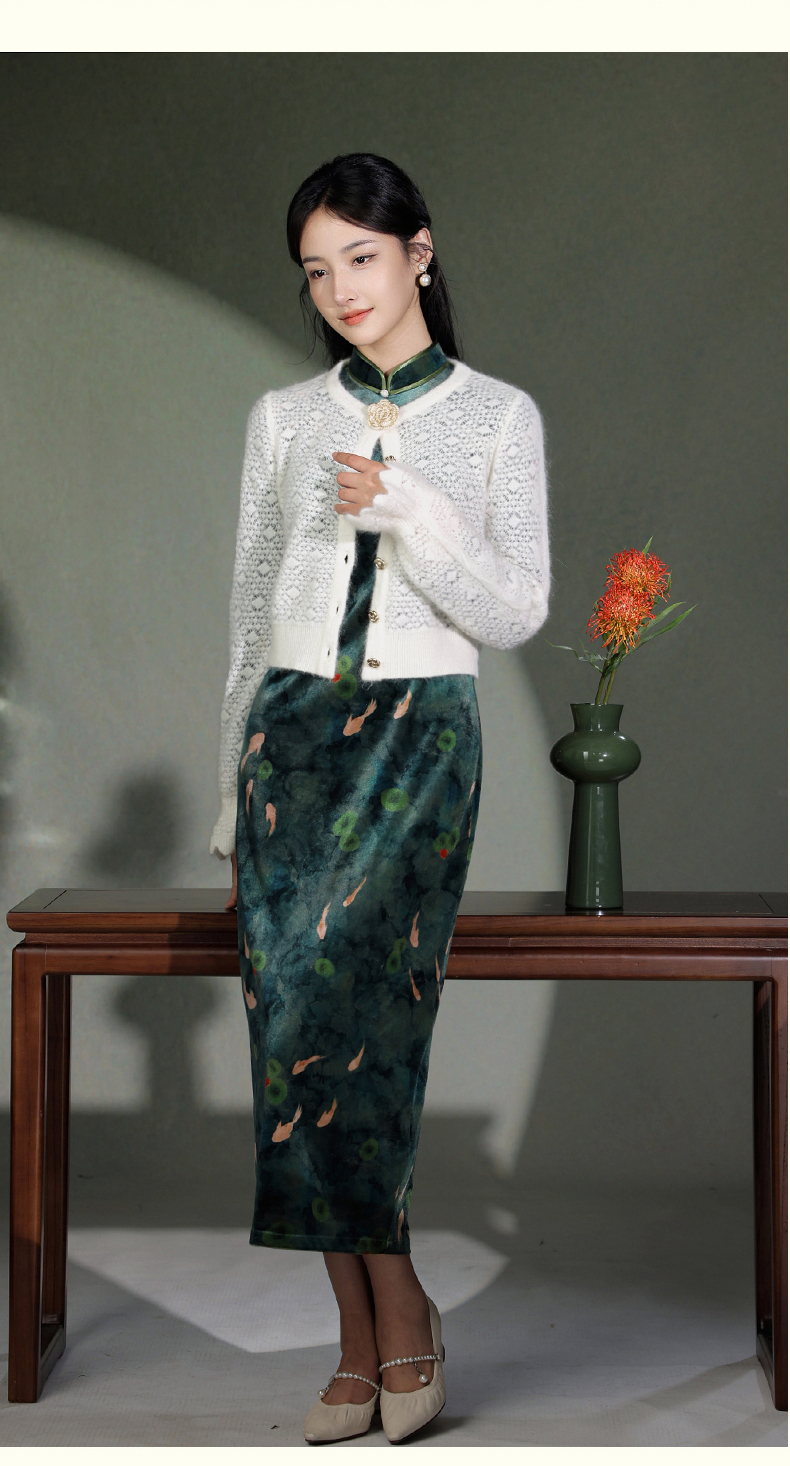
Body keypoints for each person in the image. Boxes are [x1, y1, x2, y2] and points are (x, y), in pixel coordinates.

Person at [209, 152, 551, 1444]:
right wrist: (225, 795)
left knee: (374, 1028)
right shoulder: (284, 418)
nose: (341, 288)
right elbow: (248, 620)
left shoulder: (498, 418)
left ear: (419, 250)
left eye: (361, 255)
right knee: (290, 1033)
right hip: (290, 741)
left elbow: (514, 610)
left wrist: (407, 507)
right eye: (316, 270)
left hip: (419, 741)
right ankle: (365, 1329)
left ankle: (393, 1312)